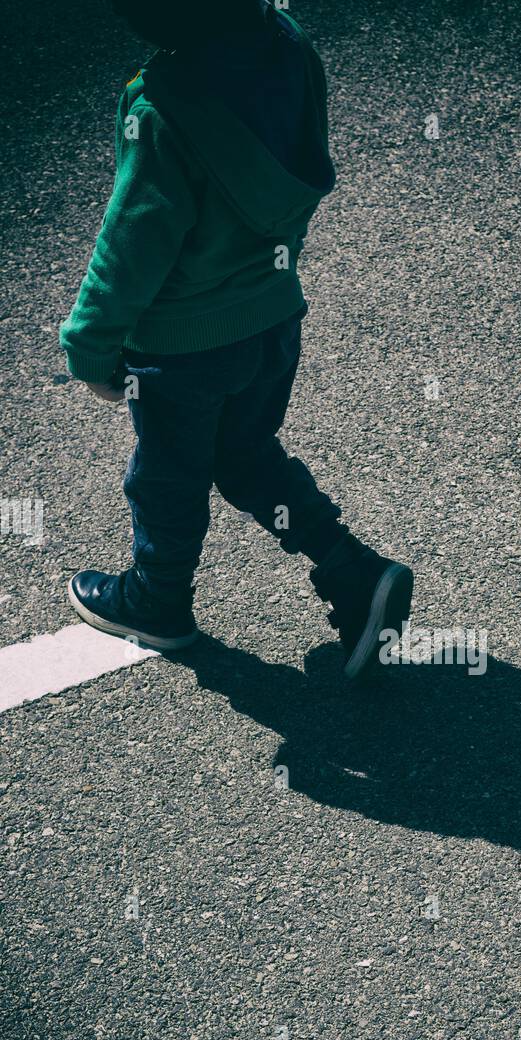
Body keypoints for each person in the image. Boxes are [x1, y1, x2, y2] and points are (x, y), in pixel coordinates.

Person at [59, 0, 413, 677]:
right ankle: (351, 568)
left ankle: (157, 599)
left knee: (166, 479)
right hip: (272, 317)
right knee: (246, 457)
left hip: (182, 347)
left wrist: (90, 346)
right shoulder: (289, 47)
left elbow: (131, 242)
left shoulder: (161, 108)